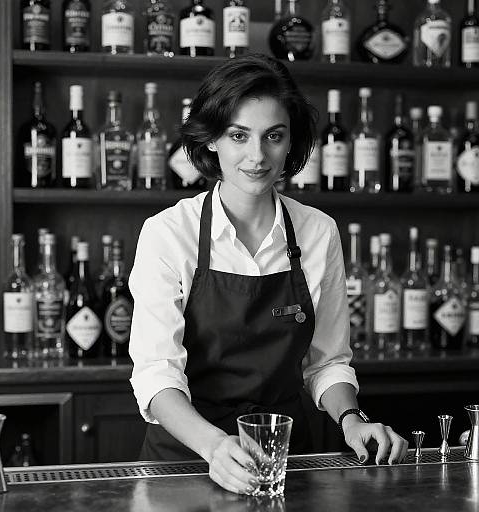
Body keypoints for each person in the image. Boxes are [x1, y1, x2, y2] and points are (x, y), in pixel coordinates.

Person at [129, 53, 408, 494]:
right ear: (212, 140)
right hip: (185, 460)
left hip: (286, 458)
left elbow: (328, 361)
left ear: (291, 143)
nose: (257, 156)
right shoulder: (168, 233)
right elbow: (156, 373)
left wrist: (353, 420)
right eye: (238, 135)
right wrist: (215, 446)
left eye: (273, 136)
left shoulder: (318, 232)